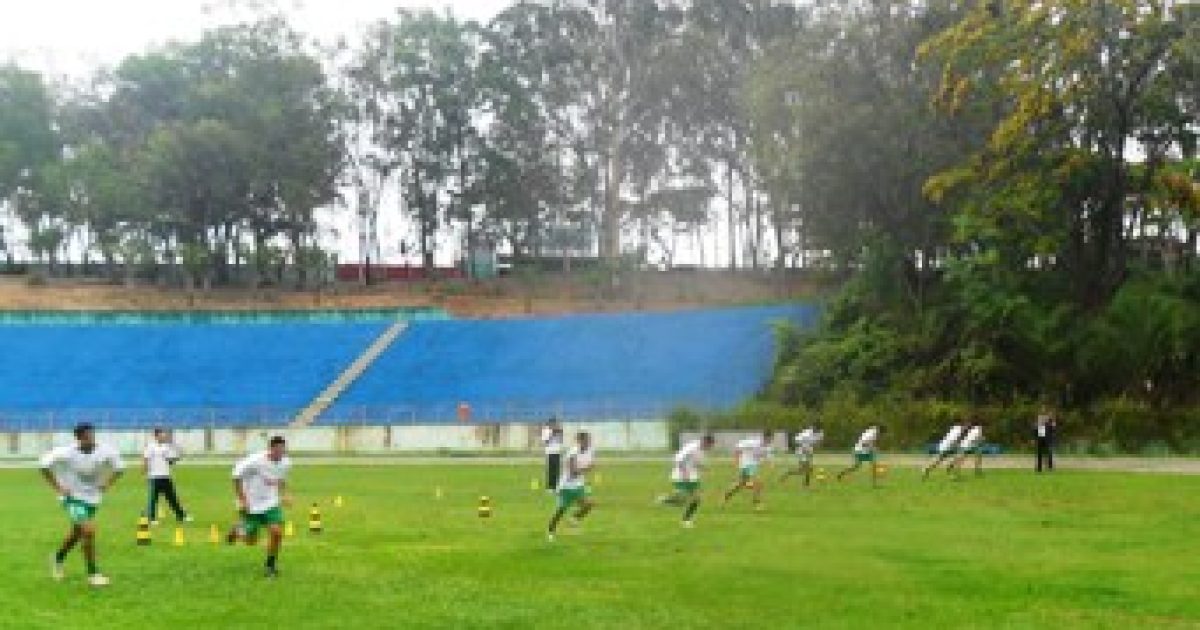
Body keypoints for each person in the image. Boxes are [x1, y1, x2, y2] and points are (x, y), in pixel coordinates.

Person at [40, 422, 125, 587]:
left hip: (92, 498)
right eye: (87, 436)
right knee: (88, 530)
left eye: (92, 435)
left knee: (77, 534)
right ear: (78, 438)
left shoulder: (106, 450)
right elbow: (43, 466)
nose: (91, 439)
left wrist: (108, 483)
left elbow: (120, 468)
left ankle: (57, 559)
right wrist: (58, 488)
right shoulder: (65, 452)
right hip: (72, 497)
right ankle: (93, 574)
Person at [226, 436, 292, 578]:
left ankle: (270, 566)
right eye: (278, 450)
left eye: (283, 450)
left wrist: (285, 494)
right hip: (251, 503)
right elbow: (235, 477)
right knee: (251, 541)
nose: (281, 454)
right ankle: (237, 531)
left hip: (271, 502)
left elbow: (281, 479)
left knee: (277, 532)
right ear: (270, 448)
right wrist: (242, 500)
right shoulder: (254, 461)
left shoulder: (286, 462)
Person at [657, 433, 716, 527]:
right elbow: (678, 459)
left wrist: (704, 467)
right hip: (680, 476)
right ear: (705, 442)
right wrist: (684, 473)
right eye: (710, 445)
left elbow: (696, 462)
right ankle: (665, 499)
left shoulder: (701, 451)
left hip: (692, 476)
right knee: (683, 499)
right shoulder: (691, 447)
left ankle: (686, 520)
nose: (710, 448)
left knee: (697, 498)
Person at [547, 431, 595, 542]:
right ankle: (550, 531)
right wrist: (587, 469)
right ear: (580, 441)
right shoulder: (573, 452)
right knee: (561, 510)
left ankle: (573, 519)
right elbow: (573, 472)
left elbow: (590, 464)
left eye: (589, 440)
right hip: (566, 486)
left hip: (578, 485)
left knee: (588, 505)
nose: (589, 442)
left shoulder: (590, 450)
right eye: (586, 440)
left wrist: (587, 468)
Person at [144, 428, 192, 525]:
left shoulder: (166, 447)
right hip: (154, 477)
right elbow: (145, 459)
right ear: (156, 435)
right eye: (162, 434)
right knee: (153, 499)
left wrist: (178, 457)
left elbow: (170, 461)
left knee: (172, 497)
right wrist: (145, 472)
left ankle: (181, 516)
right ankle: (151, 518)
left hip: (165, 476)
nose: (164, 436)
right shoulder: (150, 447)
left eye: (164, 435)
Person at [723, 430, 773, 509]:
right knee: (758, 482)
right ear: (764, 437)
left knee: (741, 484)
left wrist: (770, 464)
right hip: (746, 464)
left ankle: (726, 495)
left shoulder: (768, 448)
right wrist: (736, 460)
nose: (769, 441)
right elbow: (738, 447)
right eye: (768, 439)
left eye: (771, 439)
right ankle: (757, 504)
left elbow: (767, 457)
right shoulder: (753, 442)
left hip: (753, 466)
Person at [541, 418, 564, 492]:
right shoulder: (546, 430)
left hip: (557, 451)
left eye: (556, 424)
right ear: (550, 424)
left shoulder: (558, 431)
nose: (555, 425)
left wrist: (560, 433)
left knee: (557, 470)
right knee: (551, 470)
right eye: (553, 424)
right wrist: (552, 433)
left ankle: (557, 486)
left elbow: (560, 441)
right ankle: (550, 487)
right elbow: (546, 441)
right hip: (550, 452)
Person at [1035, 407, 1056, 473]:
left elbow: (1053, 430)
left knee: (1049, 453)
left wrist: (1052, 424)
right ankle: (1039, 468)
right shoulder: (1040, 420)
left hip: (1047, 439)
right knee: (1040, 453)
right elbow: (1037, 430)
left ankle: (1049, 467)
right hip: (1041, 437)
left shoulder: (1050, 421)